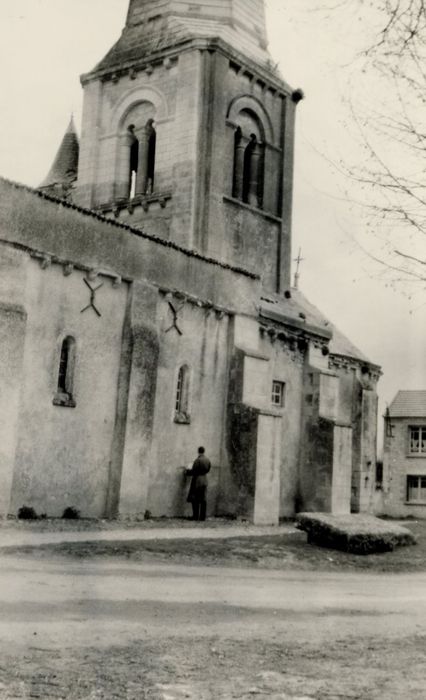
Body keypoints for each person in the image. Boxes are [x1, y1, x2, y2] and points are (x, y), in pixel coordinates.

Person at [185, 446, 211, 521]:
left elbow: (194, 471)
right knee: (203, 499)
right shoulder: (207, 460)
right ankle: (202, 517)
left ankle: (195, 516)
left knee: (195, 499)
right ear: (204, 451)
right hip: (205, 480)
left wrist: (187, 471)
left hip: (197, 480)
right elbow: (208, 469)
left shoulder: (197, 460)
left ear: (198, 451)